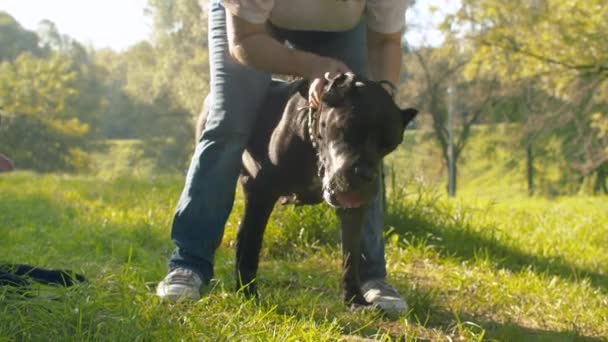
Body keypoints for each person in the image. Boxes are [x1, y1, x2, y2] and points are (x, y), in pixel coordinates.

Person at [157, 0, 410, 313]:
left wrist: (381, 95)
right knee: (229, 123)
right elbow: (245, 42)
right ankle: (190, 263)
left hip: (342, 25)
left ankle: (369, 278)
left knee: (362, 132)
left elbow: (386, 41)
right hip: (249, 25)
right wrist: (310, 66)